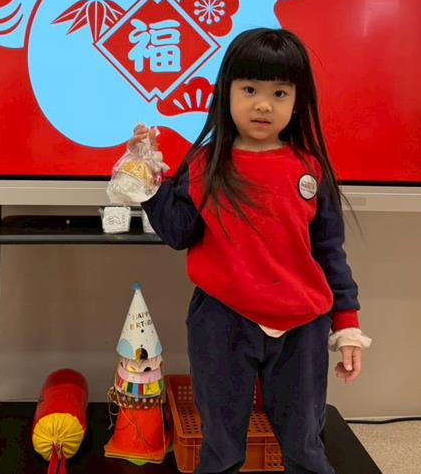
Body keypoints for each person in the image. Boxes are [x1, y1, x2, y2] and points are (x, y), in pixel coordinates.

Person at [133, 27, 370, 474]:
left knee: (304, 444)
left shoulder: (310, 168)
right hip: (221, 321)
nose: (264, 104)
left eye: (279, 93)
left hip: (303, 326)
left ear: (298, 100)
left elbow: (330, 252)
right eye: (250, 90)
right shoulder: (205, 164)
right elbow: (179, 232)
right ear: (226, 92)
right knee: (221, 446)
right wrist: (145, 180)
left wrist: (348, 327)